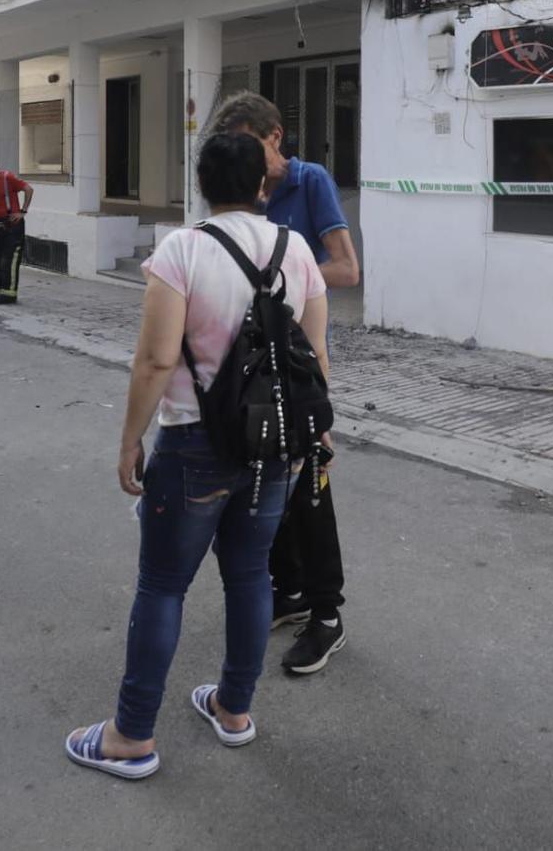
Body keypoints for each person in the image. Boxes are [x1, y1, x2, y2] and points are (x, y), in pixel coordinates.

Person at [65, 132, 329, 780]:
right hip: (277, 449)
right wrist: (320, 438)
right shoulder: (297, 251)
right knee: (249, 576)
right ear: (263, 185)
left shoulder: (182, 249)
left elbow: (156, 358)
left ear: (202, 183)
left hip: (193, 447)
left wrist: (130, 438)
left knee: (162, 584)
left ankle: (131, 734)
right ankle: (234, 709)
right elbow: (315, 361)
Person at [204, 92, 359, 674]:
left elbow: (347, 268)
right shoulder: (245, 194)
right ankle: (289, 594)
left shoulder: (309, 181)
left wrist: (281, 274)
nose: (246, 158)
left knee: (312, 492)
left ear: (275, 138)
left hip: (297, 363)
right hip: (248, 369)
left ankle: (327, 616)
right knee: (272, 491)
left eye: (252, 146)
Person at [0, 150, 33, 305]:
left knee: (9, 261)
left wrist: (22, 212)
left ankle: (10, 294)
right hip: (0, 226)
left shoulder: (7, 177)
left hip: (13, 226)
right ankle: (0, 291)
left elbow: (28, 189)